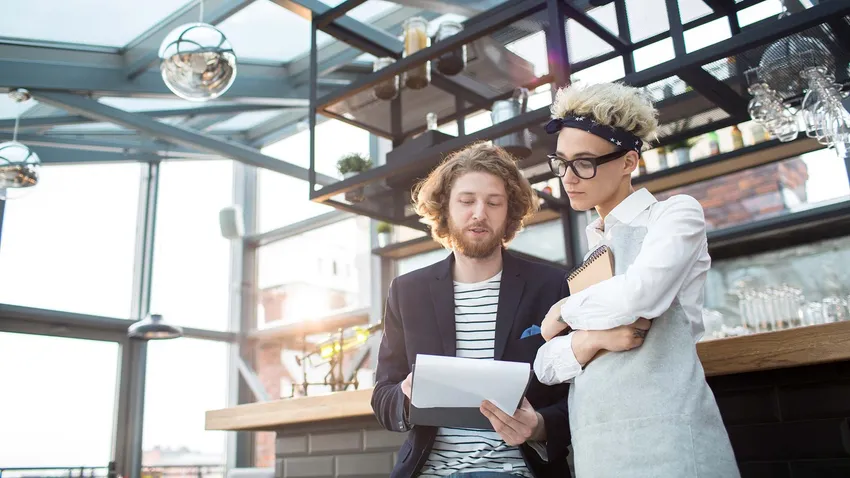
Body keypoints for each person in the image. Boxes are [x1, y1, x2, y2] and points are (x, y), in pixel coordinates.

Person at [370, 142, 651, 478]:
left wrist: (540, 426)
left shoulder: (553, 286)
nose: (479, 213)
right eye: (466, 201)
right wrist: (405, 394)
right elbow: (382, 397)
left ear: (509, 213)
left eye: (493, 203)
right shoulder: (407, 292)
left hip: (518, 470)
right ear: (445, 208)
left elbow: (588, 392)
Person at [532, 81, 740, 477]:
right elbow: (546, 364)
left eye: (584, 163)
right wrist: (592, 340)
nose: (568, 178)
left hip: (668, 440)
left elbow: (640, 295)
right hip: (596, 449)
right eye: (561, 163)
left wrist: (563, 310)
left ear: (628, 161)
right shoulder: (592, 253)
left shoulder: (674, 215)